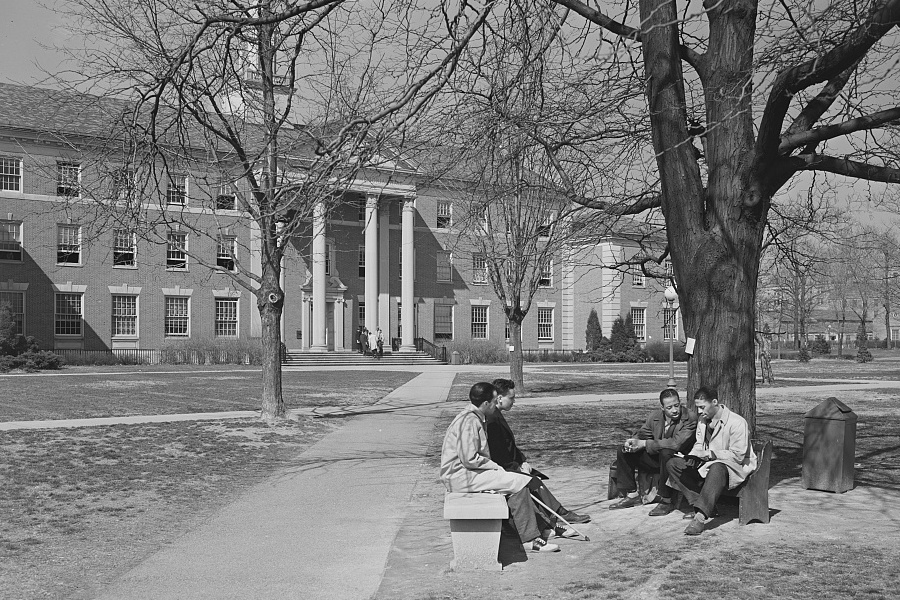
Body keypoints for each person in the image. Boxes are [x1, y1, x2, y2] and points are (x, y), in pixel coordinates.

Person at [440, 382, 561, 553]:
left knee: (519, 480)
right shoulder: (469, 422)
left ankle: (543, 528)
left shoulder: (472, 417)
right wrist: (496, 468)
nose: (497, 403)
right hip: (461, 477)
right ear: (486, 403)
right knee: (517, 482)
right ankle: (530, 539)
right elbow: (469, 459)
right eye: (494, 400)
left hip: (467, 474)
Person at [486, 378, 591, 525]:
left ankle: (556, 515)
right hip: (502, 468)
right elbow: (499, 452)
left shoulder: (496, 415)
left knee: (536, 480)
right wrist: (517, 466)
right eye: (512, 398)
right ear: (499, 398)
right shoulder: (492, 419)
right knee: (534, 482)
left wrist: (522, 461)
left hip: (510, 465)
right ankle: (557, 515)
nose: (514, 401)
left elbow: (509, 446)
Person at [665, 387, 757, 535]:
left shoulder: (737, 422)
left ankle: (699, 518)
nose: (700, 412)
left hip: (734, 467)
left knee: (718, 467)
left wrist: (709, 454)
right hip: (708, 463)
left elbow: (738, 456)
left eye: (703, 407)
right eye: (698, 408)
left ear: (714, 402)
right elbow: (699, 444)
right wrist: (692, 456)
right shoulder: (703, 420)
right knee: (674, 464)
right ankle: (703, 505)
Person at [608, 388, 697, 516]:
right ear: (662, 407)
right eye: (669, 407)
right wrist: (634, 442)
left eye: (677, 405)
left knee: (667, 452)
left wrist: (644, 444)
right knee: (624, 451)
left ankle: (666, 500)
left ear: (680, 402)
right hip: (657, 458)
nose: (674, 410)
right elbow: (643, 434)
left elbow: (677, 444)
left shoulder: (689, 417)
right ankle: (632, 494)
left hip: (678, 460)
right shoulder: (655, 417)